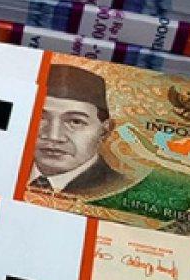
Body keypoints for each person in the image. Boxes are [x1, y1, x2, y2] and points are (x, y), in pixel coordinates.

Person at [30, 64, 128, 195]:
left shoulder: (118, 188)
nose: (54, 136)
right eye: (40, 117)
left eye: (75, 122)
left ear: (105, 131)